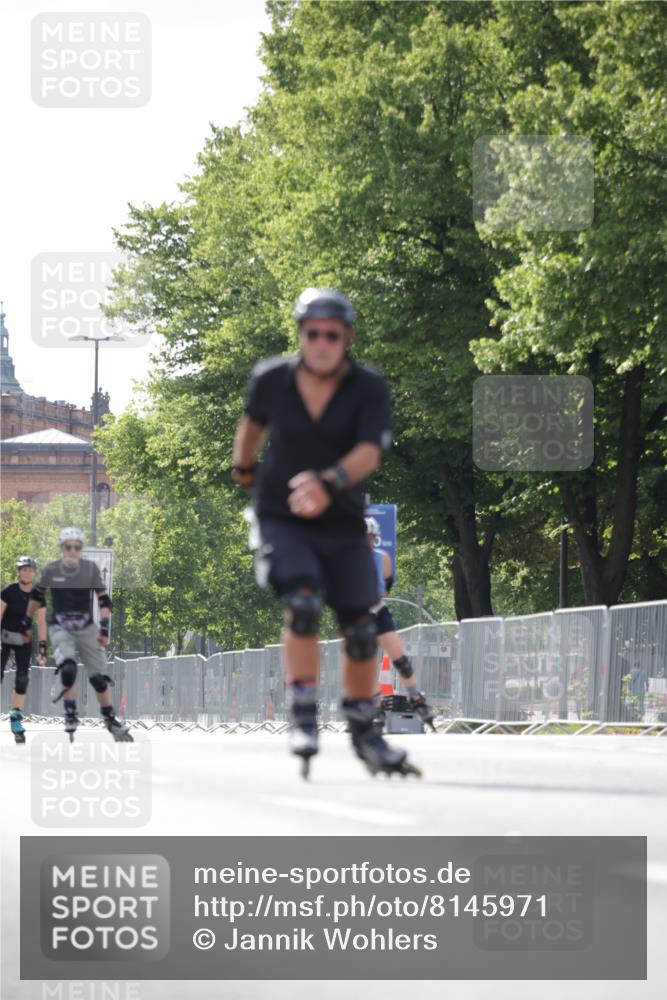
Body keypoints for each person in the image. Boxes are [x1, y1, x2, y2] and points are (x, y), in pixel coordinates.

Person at [232, 287, 421, 779]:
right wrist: (245, 470)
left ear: (347, 338)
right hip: (283, 517)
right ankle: (302, 715)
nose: (320, 343)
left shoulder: (368, 388)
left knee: (361, 626)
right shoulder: (272, 379)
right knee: (304, 600)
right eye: (311, 333)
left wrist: (329, 481)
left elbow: (369, 452)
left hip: (341, 521)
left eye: (331, 335)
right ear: (300, 334)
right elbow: (252, 426)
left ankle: (364, 733)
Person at [20, 527, 132, 742]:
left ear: (81, 549)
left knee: (99, 678)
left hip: (86, 627)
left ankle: (110, 719)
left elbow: (104, 601)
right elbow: (37, 596)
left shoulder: (90, 569)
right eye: (68, 547)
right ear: (62, 549)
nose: (73, 551)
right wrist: (26, 621)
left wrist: (105, 628)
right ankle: (70, 713)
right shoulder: (52, 570)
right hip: (60, 626)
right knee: (68, 668)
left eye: (77, 547)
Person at [365, 517, 435, 731]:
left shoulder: (382, 558)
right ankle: (375, 704)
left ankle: (416, 697)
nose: (366, 542)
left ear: (375, 538)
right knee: (367, 663)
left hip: (378, 610)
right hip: (358, 614)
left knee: (400, 659)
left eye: (370, 538)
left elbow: (387, 584)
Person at [1, 556, 47, 742]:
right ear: (19, 571)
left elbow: (41, 623)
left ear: (34, 572)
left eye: (30, 569)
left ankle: (15, 719)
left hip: (24, 641)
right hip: (4, 638)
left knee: (22, 679)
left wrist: (43, 648)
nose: (26, 572)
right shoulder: (8, 591)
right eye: (23, 569)